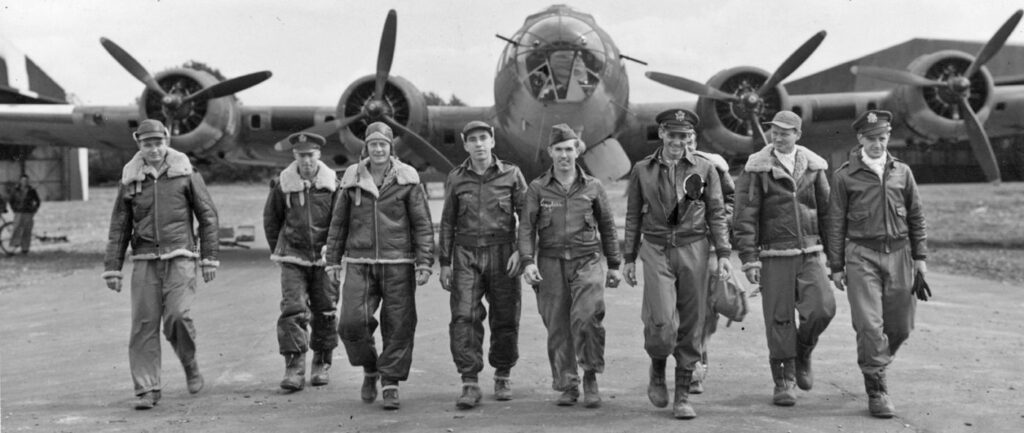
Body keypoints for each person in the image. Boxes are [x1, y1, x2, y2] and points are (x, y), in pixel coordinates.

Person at [101, 119, 219, 410]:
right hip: (144, 260)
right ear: (138, 144)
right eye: (146, 144)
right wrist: (113, 267)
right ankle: (147, 389)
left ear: (166, 140)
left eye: (158, 143)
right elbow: (120, 225)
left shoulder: (186, 173)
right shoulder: (130, 178)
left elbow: (208, 216)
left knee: (178, 315)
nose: (153, 150)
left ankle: (189, 363)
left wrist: (209, 257)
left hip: (181, 256)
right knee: (143, 325)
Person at [622, 109, 731, 419]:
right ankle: (657, 369)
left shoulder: (705, 169)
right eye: (672, 135)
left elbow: (717, 213)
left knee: (693, 323)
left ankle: (682, 393)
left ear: (690, 139)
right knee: (661, 322)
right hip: (656, 248)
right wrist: (628, 257)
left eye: (683, 136)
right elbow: (632, 216)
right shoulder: (642, 170)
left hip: (694, 247)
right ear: (662, 135)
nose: (677, 141)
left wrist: (723, 254)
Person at [325, 122, 434, 411]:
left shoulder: (408, 179)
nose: (378, 149)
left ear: (390, 147)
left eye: (382, 144)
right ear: (366, 147)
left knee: (399, 326)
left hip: (398, 263)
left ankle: (390, 383)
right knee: (350, 323)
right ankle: (370, 367)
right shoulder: (351, 179)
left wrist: (424, 261)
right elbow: (338, 223)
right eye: (372, 144)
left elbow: (422, 224)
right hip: (360, 263)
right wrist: (332, 260)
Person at [825, 110, 928, 418]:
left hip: (900, 254)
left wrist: (920, 258)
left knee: (901, 326)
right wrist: (836, 265)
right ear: (860, 139)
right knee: (869, 325)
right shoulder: (844, 176)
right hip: (861, 255)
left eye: (882, 138)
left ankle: (876, 362)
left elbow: (916, 217)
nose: (877, 144)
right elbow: (835, 224)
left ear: (888, 137)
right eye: (871, 139)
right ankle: (877, 389)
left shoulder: (902, 172)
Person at [734, 110, 835, 407]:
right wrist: (750, 258)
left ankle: (803, 351)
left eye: (785, 132)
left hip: (811, 251)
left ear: (798, 135)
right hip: (774, 253)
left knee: (823, 308)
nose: (778, 136)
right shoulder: (756, 168)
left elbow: (828, 212)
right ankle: (784, 379)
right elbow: (745, 215)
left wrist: (836, 259)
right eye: (774, 131)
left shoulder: (815, 168)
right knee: (778, 319)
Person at [519, 124, 622, 409]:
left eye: (569, 149)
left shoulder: (593, 186)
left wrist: (614, 264)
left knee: (588, 317)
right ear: (550, 152)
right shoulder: (538, 188)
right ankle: (567, 382)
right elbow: (526, 228)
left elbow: (608, 227)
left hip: (586, 260)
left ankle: (590, 376)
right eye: (559, 150)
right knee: (557, 326)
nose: (564, 155)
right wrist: (527, 262)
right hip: (550, 263)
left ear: (577, 150)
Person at [439, 120, 527, 409]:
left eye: (483, 138)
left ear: (492, 142)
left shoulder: (512, 175)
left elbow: (526, 218)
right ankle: (469, 381)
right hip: (466, 254)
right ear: (465, 144)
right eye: (473, 139)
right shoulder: (456, 178)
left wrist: (523, 254)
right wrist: (444, 262)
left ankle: (502, 374)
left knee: (505, 316)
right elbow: (448, 222)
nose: (478, 144)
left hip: (503, 252)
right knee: (464, 317)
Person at [263, 132, 340, 391]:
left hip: (324, 258)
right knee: (292, 309)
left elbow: (340, 221)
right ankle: (294, 368)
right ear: (294, 156)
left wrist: (334, 251)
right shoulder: (282, 184)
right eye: (301, 155)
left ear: (318, 155)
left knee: (326, 309)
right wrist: (280, 249)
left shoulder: (333, 185)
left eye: (310, 155)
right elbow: (271, 220)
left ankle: (321, 364)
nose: (306, 161)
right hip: (293, 256)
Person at [689, 143, 735, 395]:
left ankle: (696, 362)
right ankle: (689, 362)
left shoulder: (714, 167)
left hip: (705, 246)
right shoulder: (655, 168)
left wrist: (714, 224)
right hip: (669, 249)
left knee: (704, 310)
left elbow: (730, 201)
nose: (683, 143)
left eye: (689, 138)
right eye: (676, 136)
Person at [8, 174, 41, 254]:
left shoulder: (32, 190)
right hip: (19, 212)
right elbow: (11, 200)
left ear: (28, 181)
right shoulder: (15, 190)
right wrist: (14, 209)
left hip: (28, 212)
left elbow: (37, 201)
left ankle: (25, 248)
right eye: (23, 180)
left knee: (27, 230)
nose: (24, 182)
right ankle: (15, 244)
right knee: (16, 228)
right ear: (20, 181)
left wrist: (34, 210)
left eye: (26, 180)